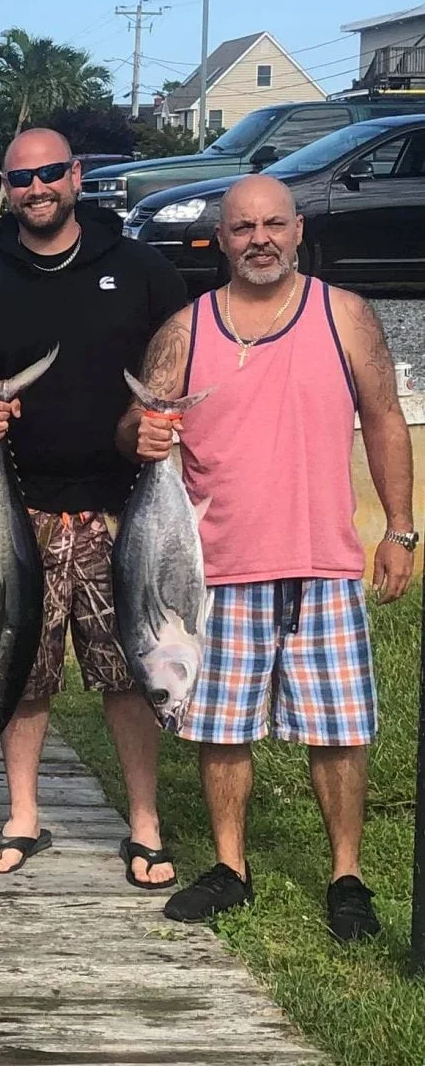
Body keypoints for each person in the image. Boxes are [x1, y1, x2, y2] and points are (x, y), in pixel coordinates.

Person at [120, 174, 417, 940]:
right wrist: (141, 434)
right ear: (219, 240)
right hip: (216, 566)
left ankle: (346, 874)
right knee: (222, 727)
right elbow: (136, 424)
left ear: (297, 229)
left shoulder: (343, 314)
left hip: (321, 560)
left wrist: (400, 526)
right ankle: (231, 866)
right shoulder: (186, 329)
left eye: (273, 224)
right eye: (242, 226)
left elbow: (384, 419)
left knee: (340, 726)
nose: (259, 238)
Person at [0, 127, 188, 884]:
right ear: (5, 191)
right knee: (23, 669)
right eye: (21, 180)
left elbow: (178, 361)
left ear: (76, 176)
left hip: (124, 508)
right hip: (23, 508)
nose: (36, 189)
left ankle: (144, 822)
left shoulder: (142, 270)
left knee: (131, 669)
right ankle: (23, 815)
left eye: (49, 173)